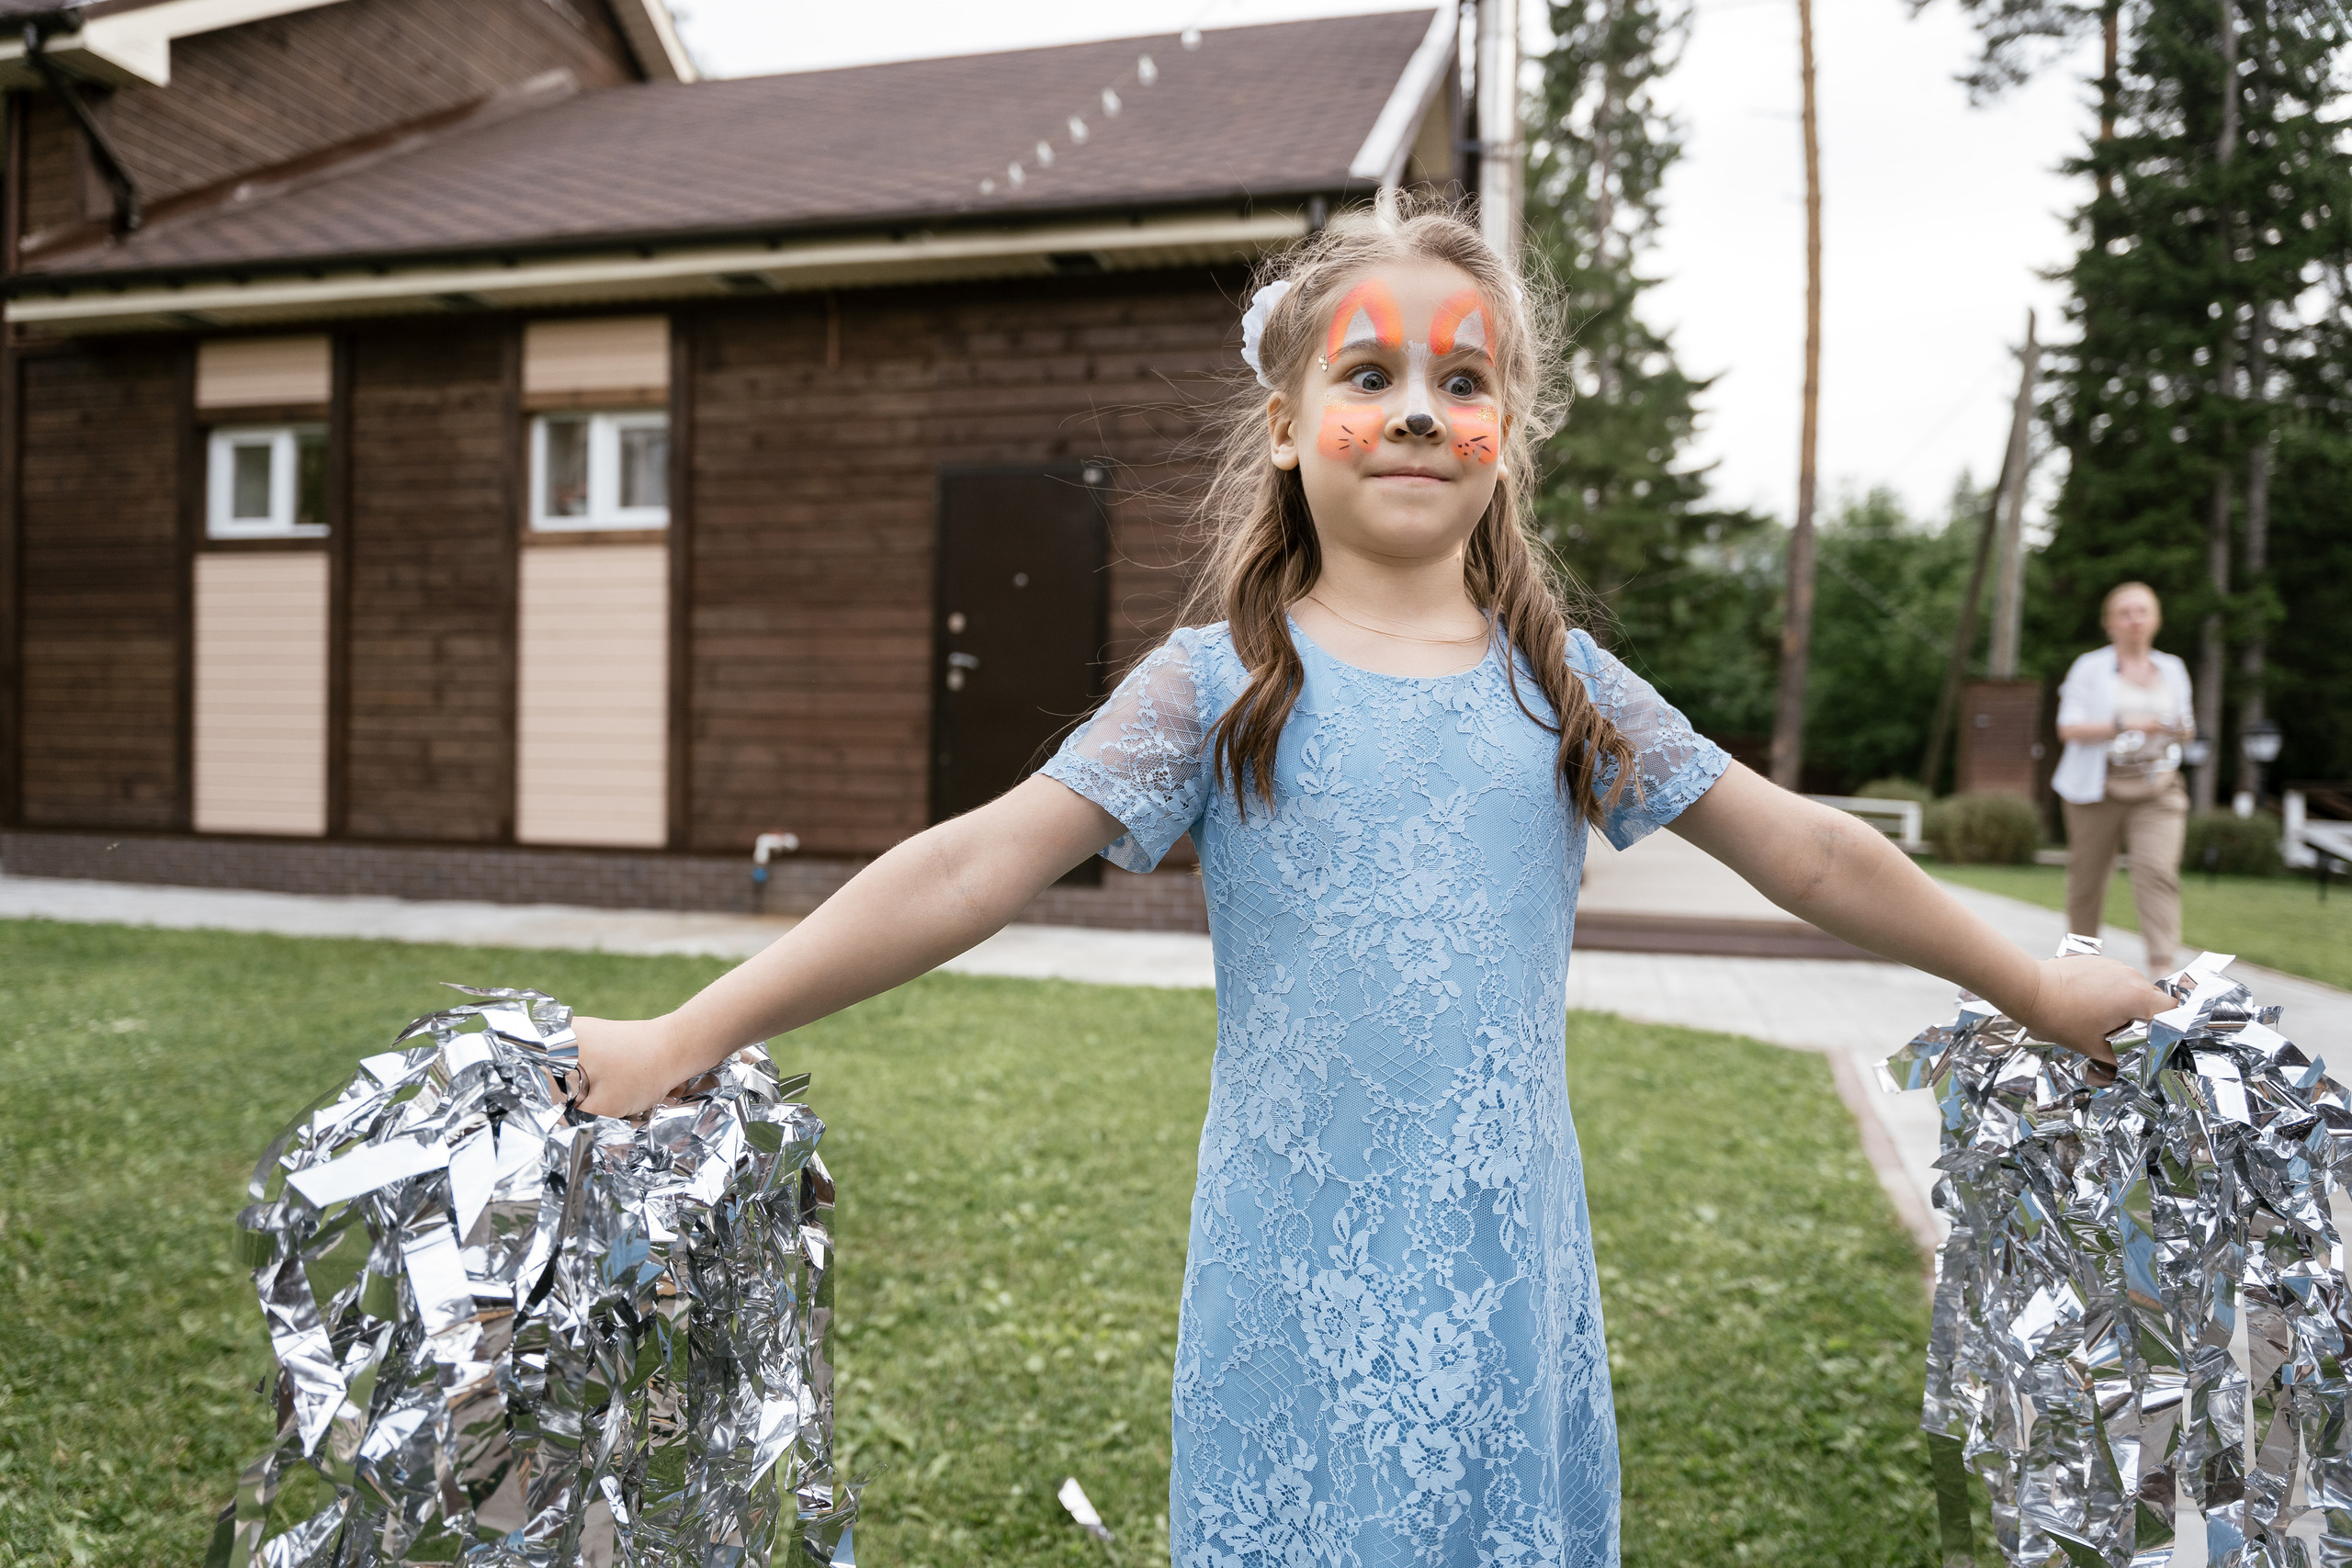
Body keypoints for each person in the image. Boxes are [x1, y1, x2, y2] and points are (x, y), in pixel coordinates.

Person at [571, 198, 2165, 1566]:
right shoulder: (1219, 684)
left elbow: (1807, 845)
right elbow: (971, 864)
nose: (1419, 410)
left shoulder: (1566, 682)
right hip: (1287, 1287)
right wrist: (683, 1031)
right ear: (1283, 419)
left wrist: (2032, 983)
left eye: (1461, 379)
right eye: (1372, 373)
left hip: (1506, 1274)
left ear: (1508, 429)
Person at [2052, 581, 2197, 976]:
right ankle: (2080, 969)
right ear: (2108, 622)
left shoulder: (2172, 668)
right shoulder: (2089, 667)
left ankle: (2163, 973)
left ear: (2156, 619)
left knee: (2158, 872)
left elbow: (2187, 726)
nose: (2135, 619)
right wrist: (2125, 723)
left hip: (2158, 786)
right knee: (2087, 880)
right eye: (2125, 612)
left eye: (2143, 611)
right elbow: (2067, 728)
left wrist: (2177, 728)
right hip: (2097, 787)